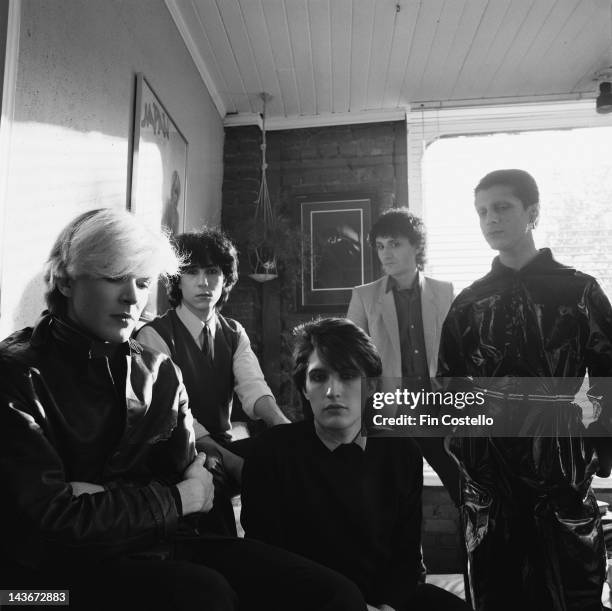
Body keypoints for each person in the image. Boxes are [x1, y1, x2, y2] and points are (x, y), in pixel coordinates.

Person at [0, 209, 371, 611]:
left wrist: (110, 495)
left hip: (163, 544)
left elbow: (200, 485)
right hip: (44, 587)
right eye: (113, 277)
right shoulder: (16, 373)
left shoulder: (159, 371)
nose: (132, 296)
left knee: (336, 595)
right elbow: (49, 523)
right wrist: (175, 499)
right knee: (205, 594)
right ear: (66, 279)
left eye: (142, 282)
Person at [437, 169, 612, 610]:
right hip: (491, 485)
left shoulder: (579, 291)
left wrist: (599, 453)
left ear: (532, 212)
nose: (490, 219)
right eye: (481, 212)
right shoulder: (469, 304)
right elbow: (450, 390)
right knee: (498, 594)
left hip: (562, 476)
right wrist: (470, 459)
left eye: (501, 207)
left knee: (574, 593)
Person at [241, 317, 470, 611]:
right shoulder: (271, 452)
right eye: (319, 377)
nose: (332, 391)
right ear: (304, 387)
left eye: (348, 375)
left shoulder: (402, 452)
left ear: (371, 386)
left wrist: (387, 607)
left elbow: (407, 559)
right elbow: (266, 566)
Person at [136, 229, 289, 487]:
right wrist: (231, 462)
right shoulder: (154, 335)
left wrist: (283, 426)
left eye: (212, 271)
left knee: (286, 457)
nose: (203, 282)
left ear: (225, 278)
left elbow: (253, 386)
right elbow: (172, 416)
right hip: (177, 451)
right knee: (215, 480)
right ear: (177, 279)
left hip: (222, 445)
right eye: (192, 272)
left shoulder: (233, 333)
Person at [346, 208, 460, 504]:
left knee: (466, 492)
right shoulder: (364, 296)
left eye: (394, 244)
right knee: (390, 502)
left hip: (438, 415)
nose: (385, 253)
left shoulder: (445, 292)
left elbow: (459, 356)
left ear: (416, 246)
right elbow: (349, 359)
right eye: (381, 246)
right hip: (389, 417)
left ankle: (474, 550)